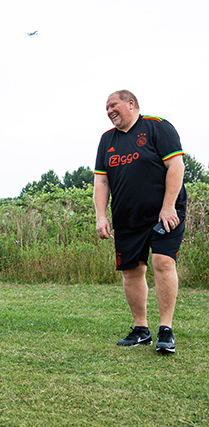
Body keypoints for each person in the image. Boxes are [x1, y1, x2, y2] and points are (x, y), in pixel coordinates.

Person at [94, 90, 185, 354]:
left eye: (113, 105)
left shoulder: (157, 127)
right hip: (127, 216)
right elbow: (101, 181)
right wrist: (101, 216)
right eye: (106, 108)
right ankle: (141, 329)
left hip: (164, 212)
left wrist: (168, 206)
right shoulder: (107, 140)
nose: (109, 111)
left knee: (163, 261)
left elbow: (176, 166)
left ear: (131, 103)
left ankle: (165, 330)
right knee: (131, 271)